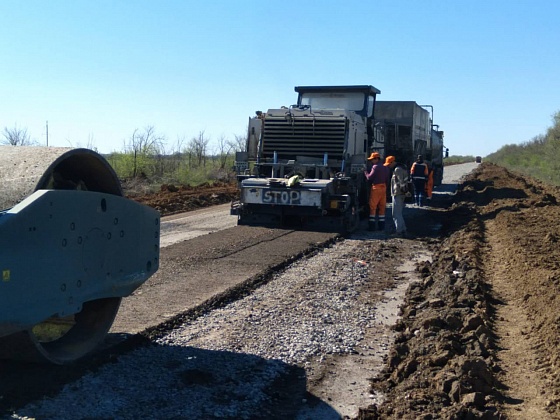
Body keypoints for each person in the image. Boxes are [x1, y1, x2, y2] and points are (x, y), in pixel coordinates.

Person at [364, 152, 390, 231]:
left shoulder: (375, 167)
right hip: (384, 188)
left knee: (373, 207)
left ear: (376, 159)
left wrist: (365, 172)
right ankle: (381, 227)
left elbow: (369, 178)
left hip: (376, 188)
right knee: (382, 207)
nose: (371, 161)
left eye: (372, 159)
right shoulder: (385, 167)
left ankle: (372, 226)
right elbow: (387, 179)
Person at [387, 156, 408, 237]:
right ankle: (403, 229)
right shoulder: (402, 168)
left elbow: (400, 182)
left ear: (392, 162)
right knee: (398, 213)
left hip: (398, 193)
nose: (388, 166)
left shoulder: (397, 170)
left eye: (389, 164)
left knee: (395, 213)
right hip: (400, 193)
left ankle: (399, 231)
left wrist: (403, 191)